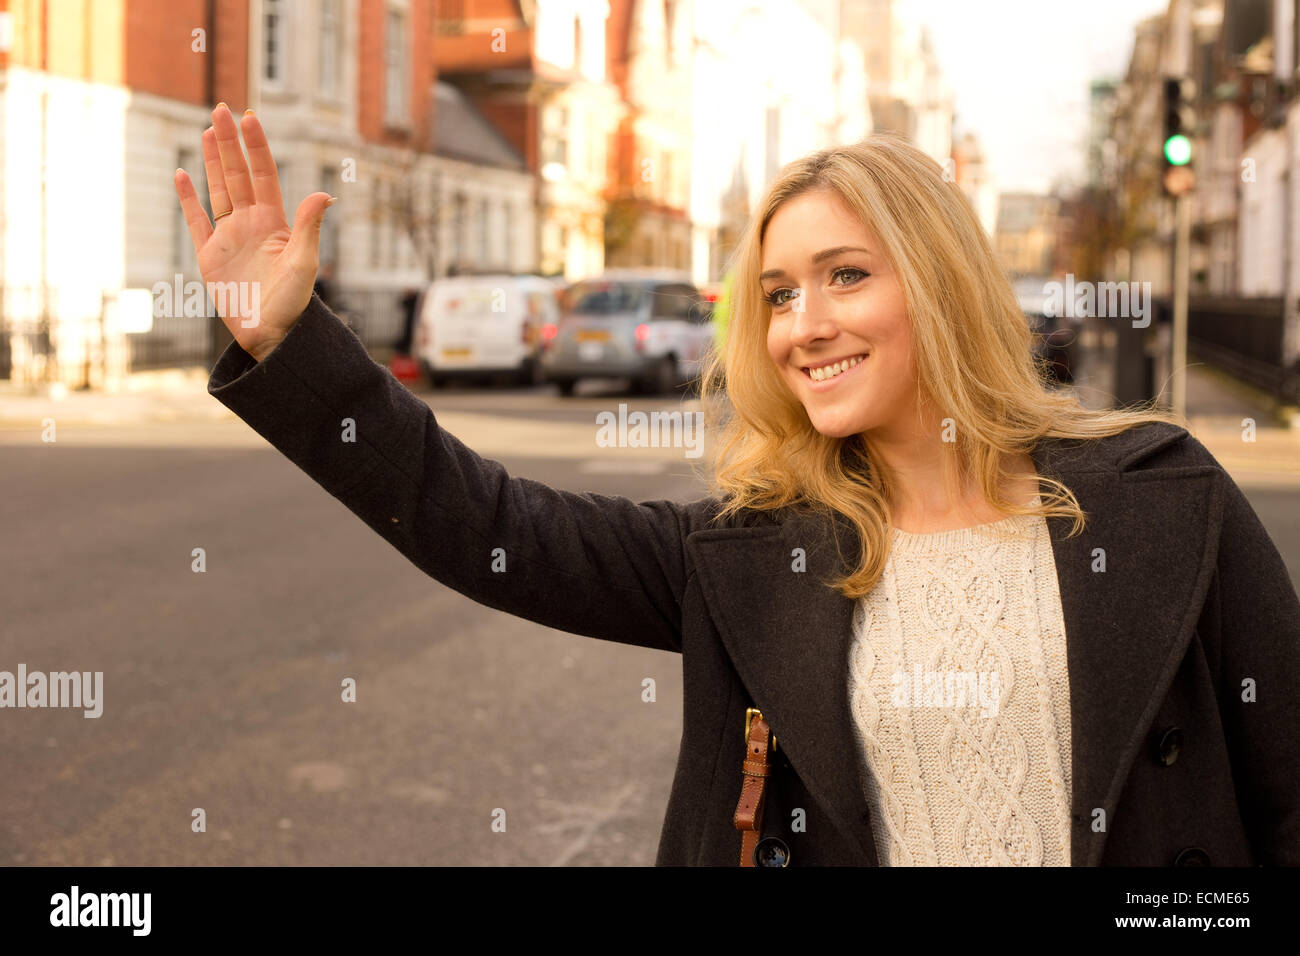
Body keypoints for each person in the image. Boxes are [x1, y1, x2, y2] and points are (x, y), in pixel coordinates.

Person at [175, 104, 1300, 867]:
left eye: (845, 276)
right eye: (775, 294)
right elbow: (485, 525)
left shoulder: (1162, 498)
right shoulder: (751, 552)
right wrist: (294, 349)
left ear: (943, 284)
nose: (803, 326)